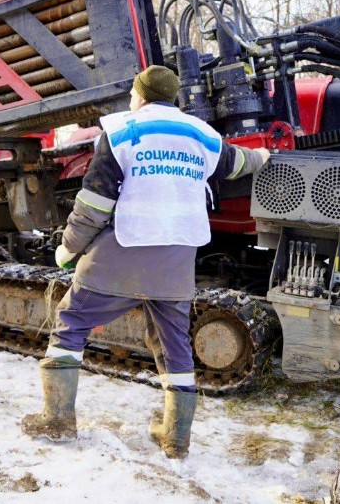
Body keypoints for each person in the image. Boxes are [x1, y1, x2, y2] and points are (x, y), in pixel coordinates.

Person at [21, 65, 270, 458]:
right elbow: (238, 163)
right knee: (174, 345)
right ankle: (176, 438)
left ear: (139, 96)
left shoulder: (121, 133)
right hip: (175, 261)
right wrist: (263, 155)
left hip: (121, 252)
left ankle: (57, 420)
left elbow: (94, 204)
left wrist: (68, 248)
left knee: (71, 321)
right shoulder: (202, 136)